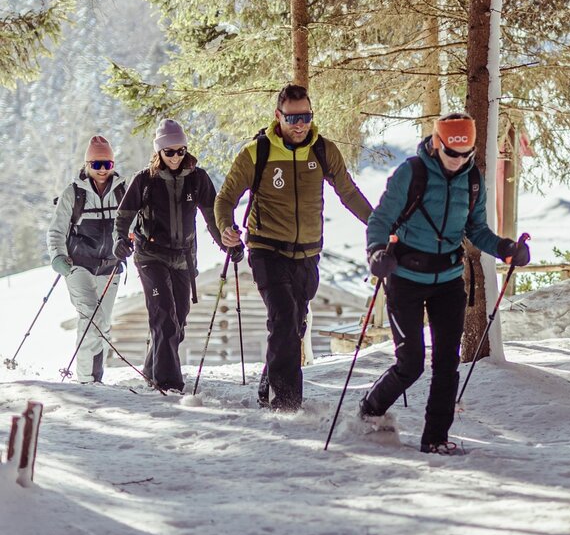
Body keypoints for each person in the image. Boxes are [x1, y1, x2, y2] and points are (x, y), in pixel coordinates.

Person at [359, 113, 530, 454]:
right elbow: (380, 219)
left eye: (466, 154)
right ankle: (370, 409)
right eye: (453, 154)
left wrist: (505, 249)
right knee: (410, 364)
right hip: (405, 278)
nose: (459, 161)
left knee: (447, 364)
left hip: (449, 281)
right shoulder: (411, 173)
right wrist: (377, 252)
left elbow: (476, 230)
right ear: (437, 143)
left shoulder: (473, 181)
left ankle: (435, 438)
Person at [216, 84, 372, 411]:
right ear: (278, 116)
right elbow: (225, 199)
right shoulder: (256, 153)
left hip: (308, 254)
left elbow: (349, 193)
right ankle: (286, 405)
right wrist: (226, 229)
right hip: (266, 249)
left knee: (294, 324)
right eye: (292, 118)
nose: (300, 124)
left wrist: (379, 224)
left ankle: (267, 386)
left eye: (306, 116)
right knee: (284, 319)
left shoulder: (322, 151)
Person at [113, 120, 224, 394]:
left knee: (179, 319)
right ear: (159, 152)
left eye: (181, 151)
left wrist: (226, 242)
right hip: (150, 256)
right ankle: (168, 384)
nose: (176, 157)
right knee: (164, 315)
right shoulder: (144, 180)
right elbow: (124, 215)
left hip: (184, 258)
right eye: (170, 152)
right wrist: (119, 240)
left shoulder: (198, 178)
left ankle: (153, 369)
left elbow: (212, 215)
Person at [46, 136, 128, 383]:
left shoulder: (123, 191)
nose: (103, 170)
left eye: (107, 164)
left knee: (102, 323)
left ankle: (96, 377)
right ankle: (86, 379)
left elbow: (134, 224)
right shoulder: (73, 193)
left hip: (110, 267)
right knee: (90, 316)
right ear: (87, 165)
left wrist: (130, 242)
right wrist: (58, 257)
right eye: (96, 165)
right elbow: (56, 230)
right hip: (78, 265)